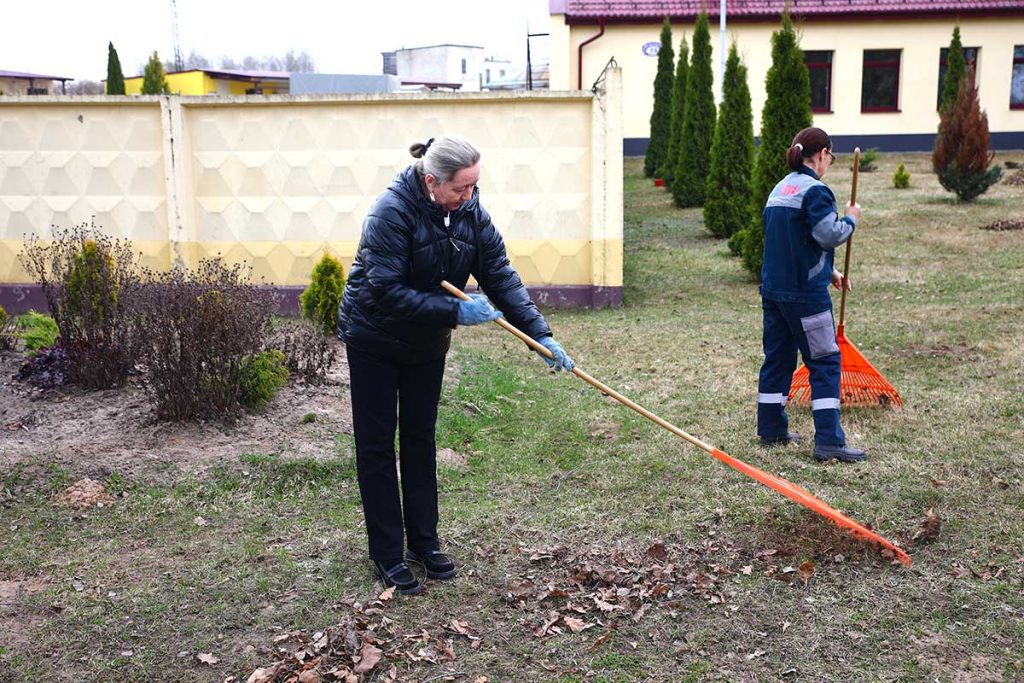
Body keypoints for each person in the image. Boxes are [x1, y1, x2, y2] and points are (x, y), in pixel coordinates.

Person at [336, 134, 575, 595]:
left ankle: (424, 541)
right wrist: (455, 312)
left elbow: (500, 274)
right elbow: (385, 288)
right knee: (377, 447)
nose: (469, 197)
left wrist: (540, 335)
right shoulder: (390, 212)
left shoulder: (470, 212)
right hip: (375, 339)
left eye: (474, 187)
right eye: (460, 189)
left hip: (426, 343)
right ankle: (387, 553)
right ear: (431, 181)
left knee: (421, 440)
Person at [756, 126, 867, 463]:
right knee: (824, 362)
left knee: (778, 360)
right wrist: (850, 219)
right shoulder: (816, 192)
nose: (829, 163)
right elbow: (828, 234)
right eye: (829, 157)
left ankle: (771, 429)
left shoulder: (780, 189)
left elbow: (791, 241)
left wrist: (829, 271)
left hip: (775, 293)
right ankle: (830, 442)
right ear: (821, 155)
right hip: (805, 296)